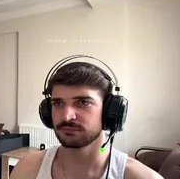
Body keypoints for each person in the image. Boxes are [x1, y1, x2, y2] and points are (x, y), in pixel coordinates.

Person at [10, 61, 162, 179]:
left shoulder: (142, 177)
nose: (66, 116)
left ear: (109, 111)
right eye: (58, 103)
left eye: (83, 102)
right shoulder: (27, 169)